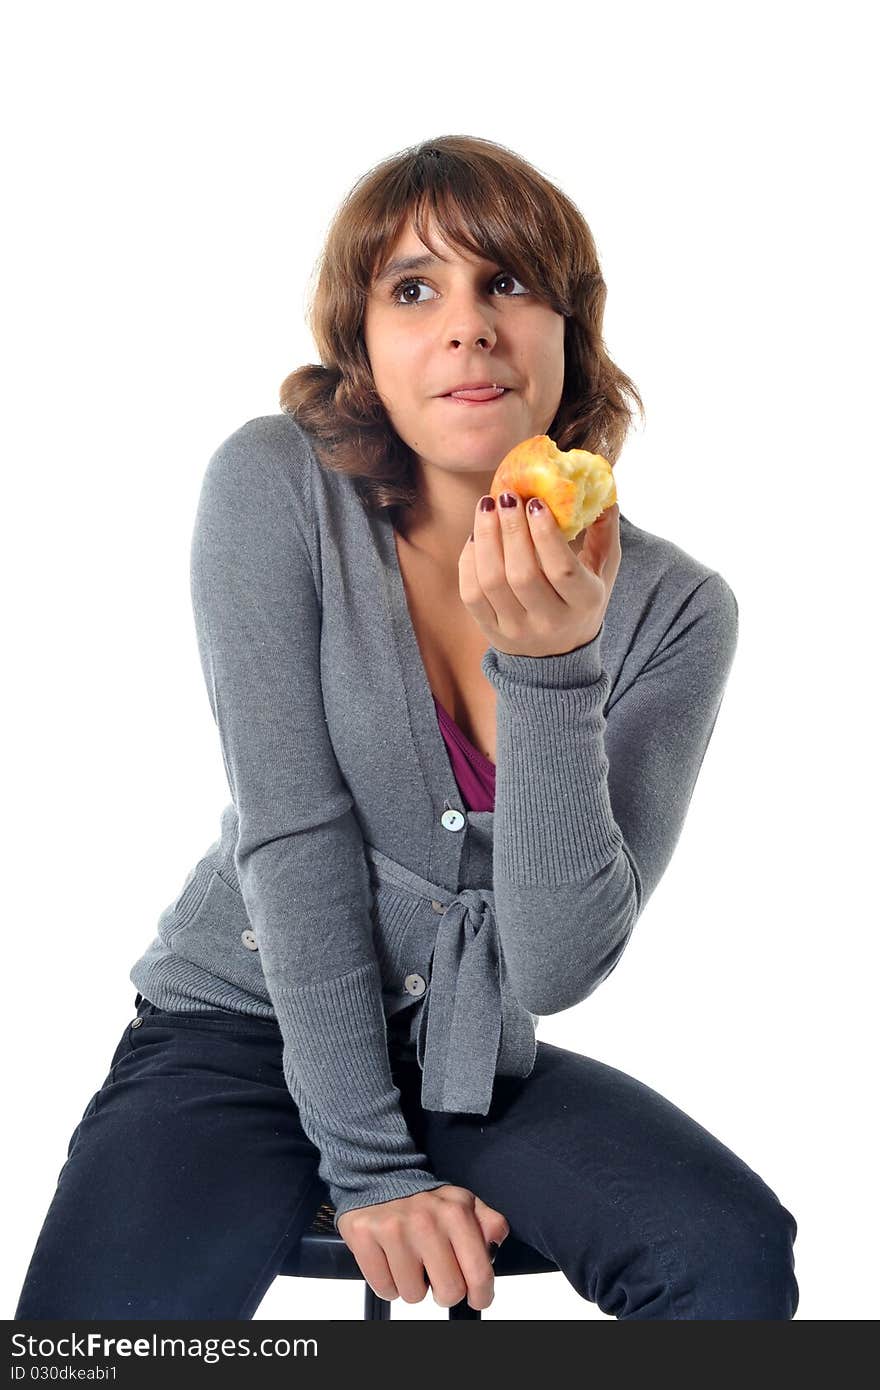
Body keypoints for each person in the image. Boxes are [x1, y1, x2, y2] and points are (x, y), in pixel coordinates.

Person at [14, 135, 798, 1321]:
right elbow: (292, 835)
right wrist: (374, 1171)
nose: (469, 326)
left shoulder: (678, 609)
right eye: (415, 288)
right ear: (363, 343)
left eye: (510, 284)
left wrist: (548, 670)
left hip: (475, 1061)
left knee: (726, 1257)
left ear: (570, 332)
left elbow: (554, 965)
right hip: (239, 1028)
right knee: (94, 1341)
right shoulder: (276, 484)